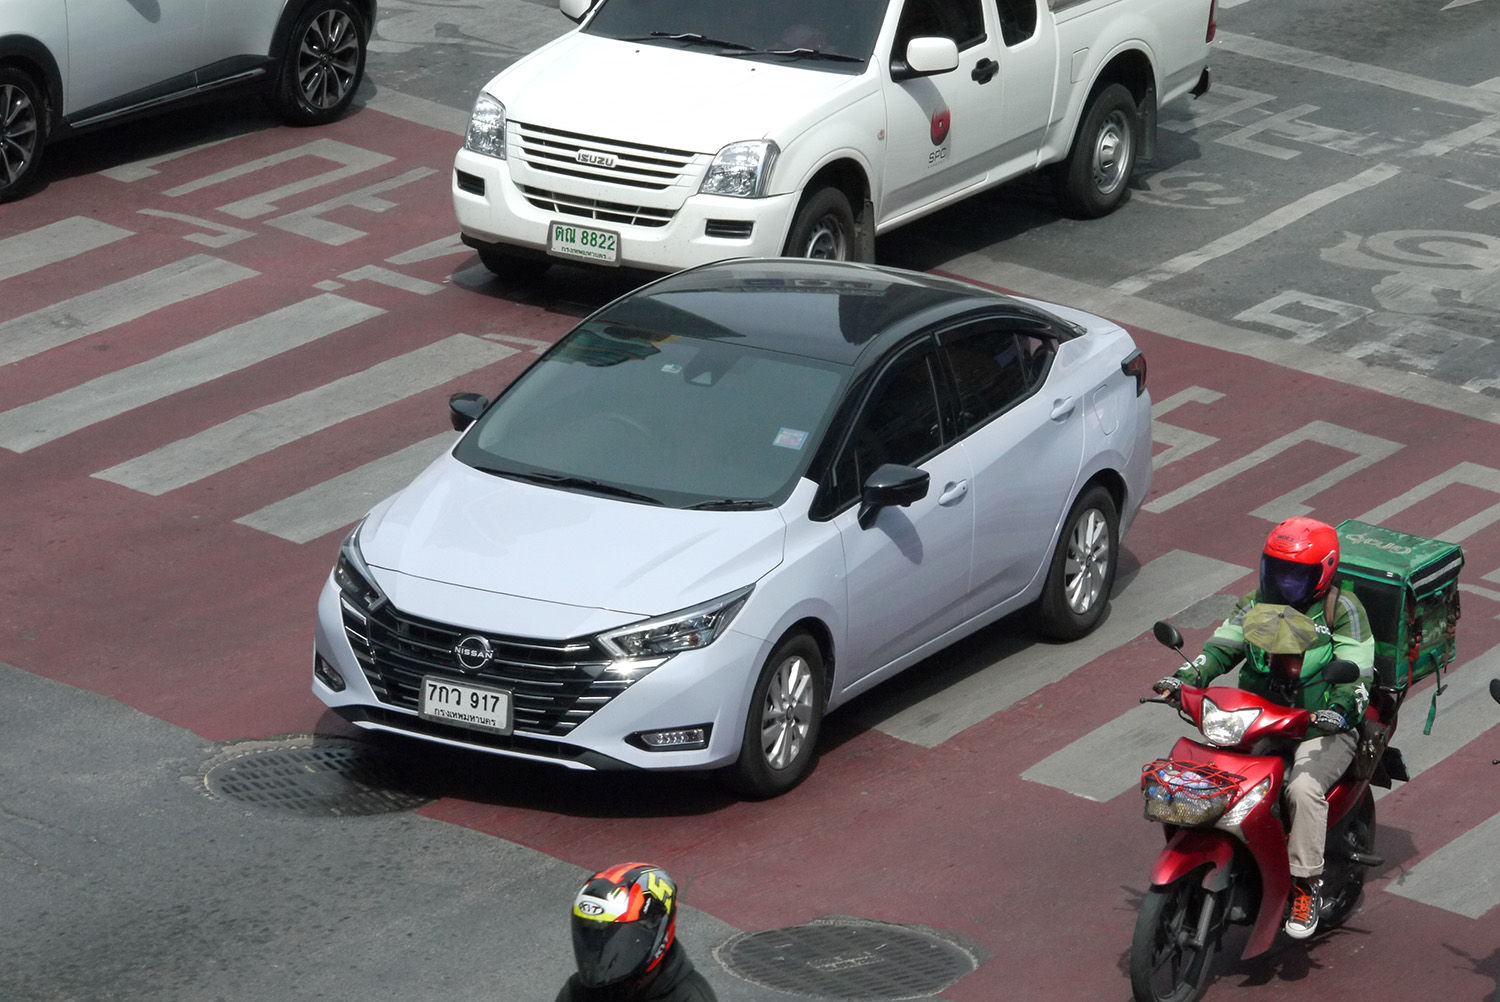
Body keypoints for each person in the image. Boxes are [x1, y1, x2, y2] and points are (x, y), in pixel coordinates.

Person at [1154, 516, 1374, 940]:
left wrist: (1341, 709)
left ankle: (1305, 884)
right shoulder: (1255, 602)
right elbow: (1222, 647)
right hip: (1256, 721)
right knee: (1210, 778)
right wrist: (1185, 679)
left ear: (1324, 571)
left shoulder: (1343, 610)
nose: (1284, 581)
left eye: (1296, 573)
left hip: (1320, 726)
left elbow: (1358, 674)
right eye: (1278, 569)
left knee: (1302, 790)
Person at [556, 862, 719, 1002]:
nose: (599, 952)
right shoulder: (578, 992)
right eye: (591, 937)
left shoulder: (690, 997)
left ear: (652, 933)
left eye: (617, 941)